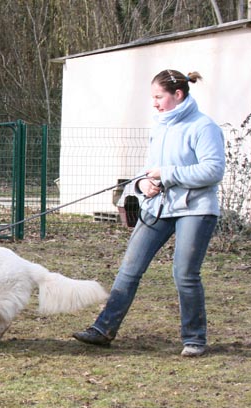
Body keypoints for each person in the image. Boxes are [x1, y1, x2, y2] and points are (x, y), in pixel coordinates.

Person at [72, 69, 225, 357]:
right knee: (129, 269)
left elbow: (213, 170)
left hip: (195, 209)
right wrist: (143, 184)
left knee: (185, 274)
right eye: (152, 97)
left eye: (159, 97)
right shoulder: (160, 126)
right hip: (158, 207)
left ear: (177, 95)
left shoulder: (203, 127)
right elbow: (149, 169)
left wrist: (166, 175)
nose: (154, 103)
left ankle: (194, 339)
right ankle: (103, 329)